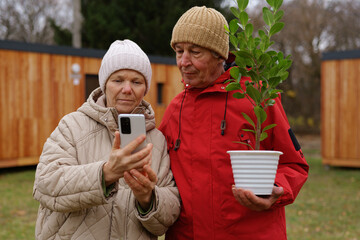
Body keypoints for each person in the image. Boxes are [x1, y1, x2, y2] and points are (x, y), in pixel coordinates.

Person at [159, 6, 309, 240]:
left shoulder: (258, 98)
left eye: (195, 52)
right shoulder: (175, 110)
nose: (183, 62)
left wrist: (277, 189)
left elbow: (295, 165)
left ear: (219, 55)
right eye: (179, 51)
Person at [33, 39, 180, 240]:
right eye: (118, 80)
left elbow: (168, 215)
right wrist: (107, 173)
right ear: (104, 85)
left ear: (145, 88)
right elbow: (46, 184)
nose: (127, 89)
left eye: (136, 82)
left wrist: (148, 198)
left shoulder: (157, 140)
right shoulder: (72, 126)